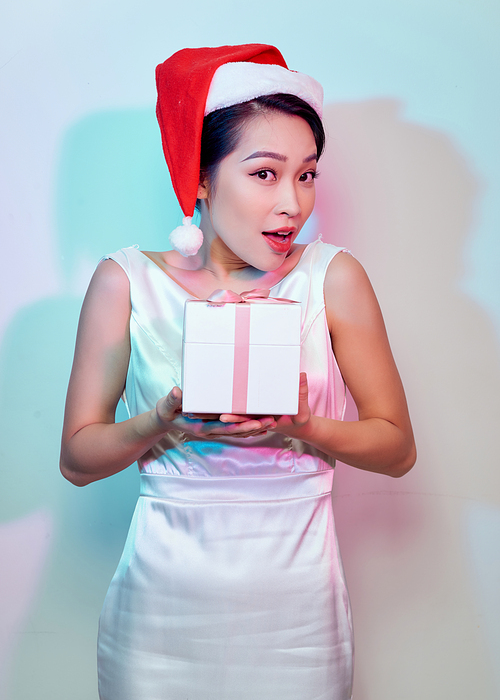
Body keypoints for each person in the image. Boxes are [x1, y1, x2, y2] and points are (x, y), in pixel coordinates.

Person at [60, 44, 416, 700]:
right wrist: (164, 421)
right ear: (198, 176)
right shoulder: (126, 281)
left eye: (306, 175)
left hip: (298, 624)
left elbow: (397, 447)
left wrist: (307, 425)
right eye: (264, 174)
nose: (292, 203)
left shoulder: (333, 278)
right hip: (159, 620)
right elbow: (77, 458)